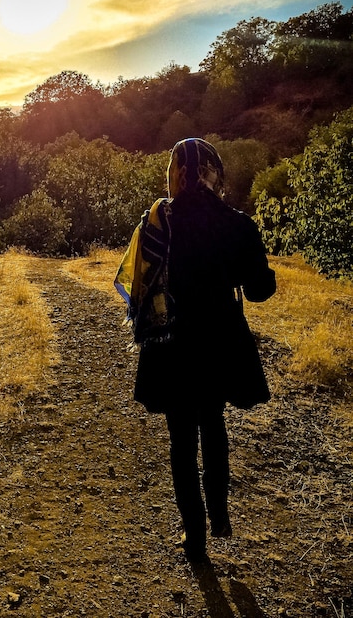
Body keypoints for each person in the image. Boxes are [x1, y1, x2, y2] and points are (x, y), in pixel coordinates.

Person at [115, 138, 276, 562]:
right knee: (214, 424)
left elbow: (139, 288)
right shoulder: (237, 224)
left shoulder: (157, 221)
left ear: (174, 172)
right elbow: (260, 291)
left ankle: (195, 537)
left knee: (181, 441)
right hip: (220, 345)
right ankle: (220, 515)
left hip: (171, 348)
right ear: (214, 174)